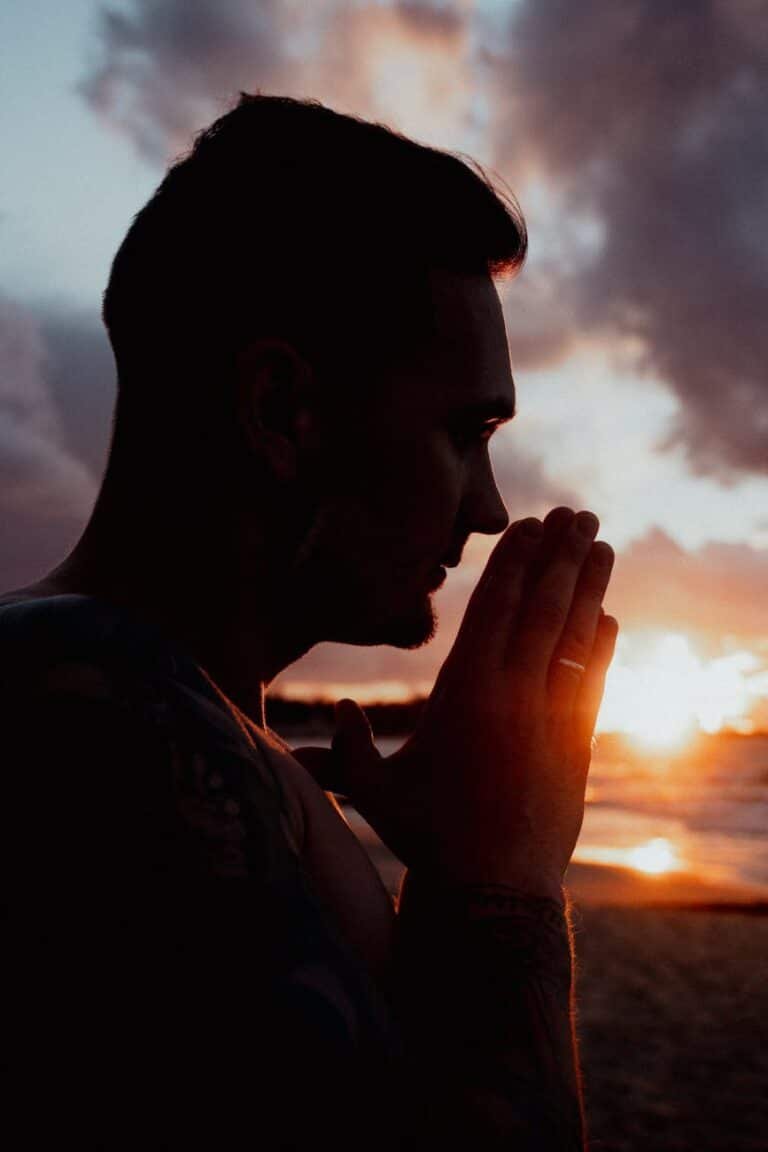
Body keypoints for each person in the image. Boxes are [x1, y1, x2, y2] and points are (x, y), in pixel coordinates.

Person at [0, 93, 617, 1149]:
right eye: (466, 432)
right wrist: (503, 879)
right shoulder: (101, 709)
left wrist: (452, 873)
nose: (490, 509)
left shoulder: (209, 728)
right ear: (283, 411)